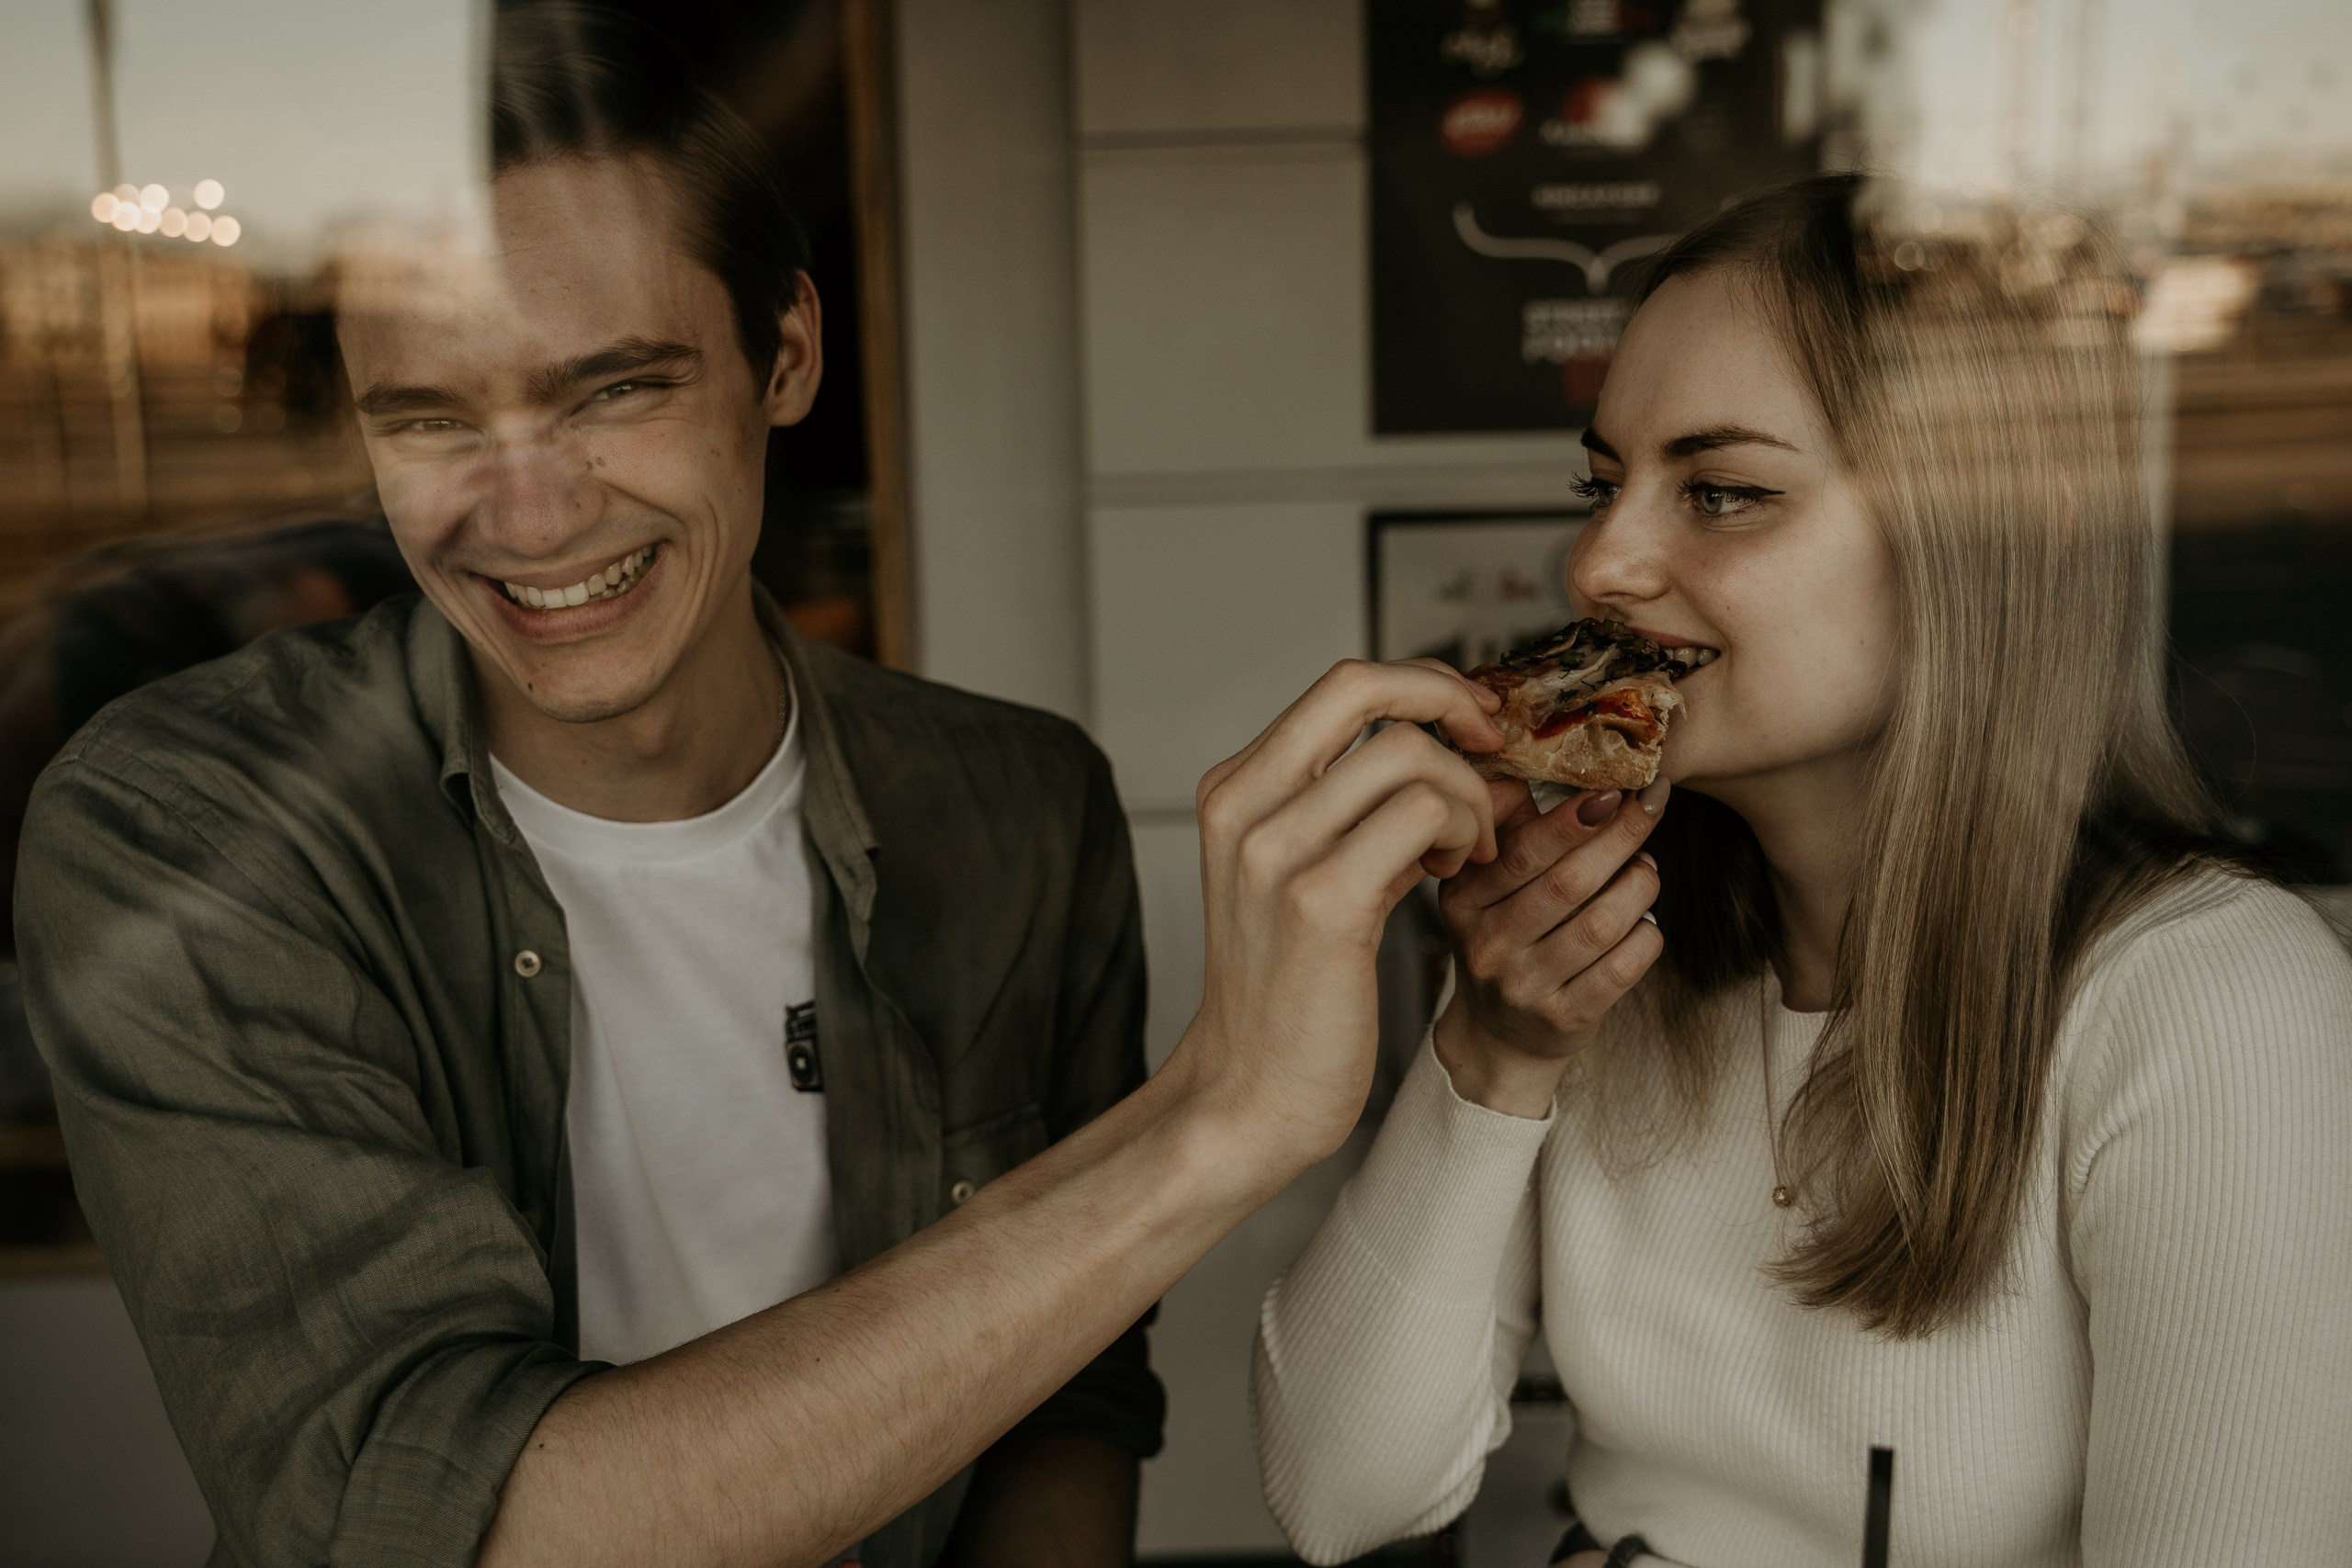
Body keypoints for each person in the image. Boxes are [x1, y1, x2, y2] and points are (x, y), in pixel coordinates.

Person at [12, 9, 1512, 1567]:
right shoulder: (189, 835)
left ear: (785, 354)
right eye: (435, 419)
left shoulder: (1014, 809)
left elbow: (1065, 1403)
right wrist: (1223, 1115)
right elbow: (447, 1529)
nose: (529, 513)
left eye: (613, 392)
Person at [1250, 174, 2352, 1567]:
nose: (1600, 559)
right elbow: (1341, 1496)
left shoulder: (2217, 1009)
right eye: (1603, 483)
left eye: (1721, 493)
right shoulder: (1602, 951)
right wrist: (1492, 1051)